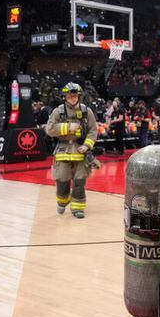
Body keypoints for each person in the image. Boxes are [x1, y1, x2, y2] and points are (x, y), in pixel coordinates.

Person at [45, 82, 98, 219]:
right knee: (62, 180)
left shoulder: (87, 111)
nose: (73, 98)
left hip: (81, 152)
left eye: (75, 96)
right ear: (65, 97)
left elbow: (93, 130)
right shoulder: (58, 111)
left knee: (80, 181)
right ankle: (62, 201)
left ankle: (78, 208)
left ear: (79, 96)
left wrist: (86, 146)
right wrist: (68, 128)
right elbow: (49, 129)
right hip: (63, 150)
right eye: (70, 96)